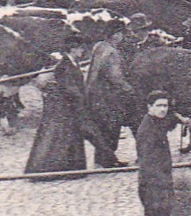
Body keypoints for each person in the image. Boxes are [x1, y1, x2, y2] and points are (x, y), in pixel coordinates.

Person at [24, 39, 90, 175]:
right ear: (72, 49)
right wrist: (82, 99)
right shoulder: (64, 65)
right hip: (63, 106)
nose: (83, 51)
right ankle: (47, 168)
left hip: (68, 104)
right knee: (59, 136)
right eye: (80, 48)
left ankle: (71, 168)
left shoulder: (72, 62)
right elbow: (69, 87)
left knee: (68, 136)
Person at [128, 91, 175, 216]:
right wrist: (161, 184)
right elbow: (147, 162)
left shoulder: (155, 124)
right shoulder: (148, 130)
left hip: (158, 182)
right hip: (154, 184)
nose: (163, 109)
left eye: (165, 106)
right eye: (159, 106)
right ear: (150, 107)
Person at [84, 21, 135, 168]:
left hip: (95, 95)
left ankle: (102, 158)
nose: (122, 37)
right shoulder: (112, 52)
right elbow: (116, 77)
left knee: (102, 127)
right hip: (108, 97)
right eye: (121, 34)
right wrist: (129, 90)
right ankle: (108, 160)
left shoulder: (99, 46)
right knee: (111, 128)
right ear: (116, 35)